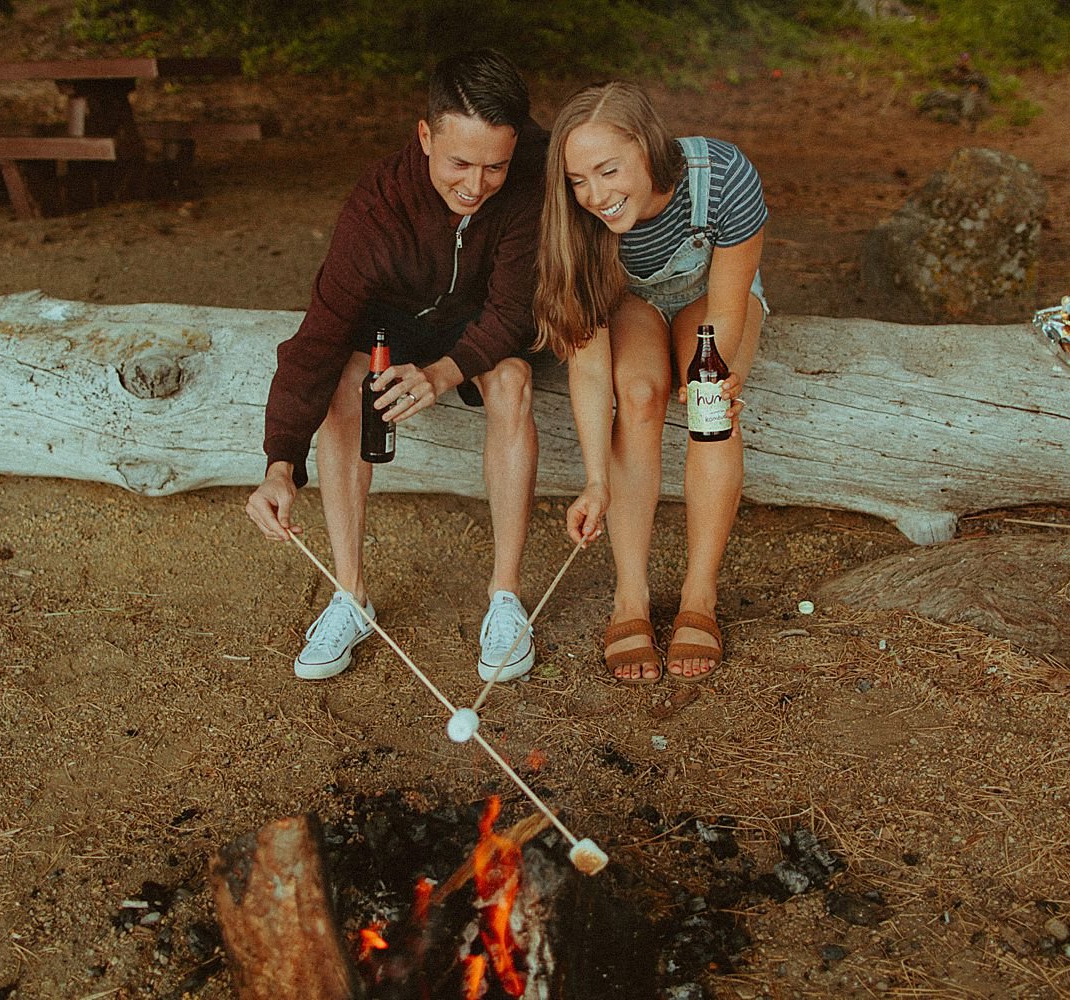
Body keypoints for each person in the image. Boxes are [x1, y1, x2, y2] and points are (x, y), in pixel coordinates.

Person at [246, 49, 545, 683]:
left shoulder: (524, 186)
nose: (474, 184)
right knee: (346, 384)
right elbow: (320, 336)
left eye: (494, 165)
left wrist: (444, 373)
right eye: (458, 162)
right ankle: (350, 596)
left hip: (480, 320)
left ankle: (506, 598)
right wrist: (279, 464)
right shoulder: (378, 203)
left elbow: (513, 313)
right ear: (424, 135)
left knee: (513, 380)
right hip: (397, 322)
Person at [534, 81, 767, 685]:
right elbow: (588, 361)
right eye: (578, 180)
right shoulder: (576, 221)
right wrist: (592, 478)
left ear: (645, 145)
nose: (595, 196)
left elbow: (726, 305)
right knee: (639, 394)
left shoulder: (722, 176)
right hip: (632, 298)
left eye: (608, 171)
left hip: (713, 294)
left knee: (709, 401)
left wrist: (717, 368)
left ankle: (699, 593)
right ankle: (630, 597)